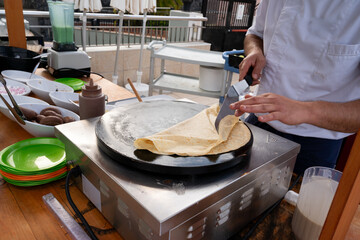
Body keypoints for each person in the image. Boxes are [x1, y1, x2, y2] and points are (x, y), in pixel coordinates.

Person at [229, 0, 360, 174]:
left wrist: (305, 110)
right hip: (260, 120)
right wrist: (255, 51)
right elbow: (255, 34)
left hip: (316, 142)